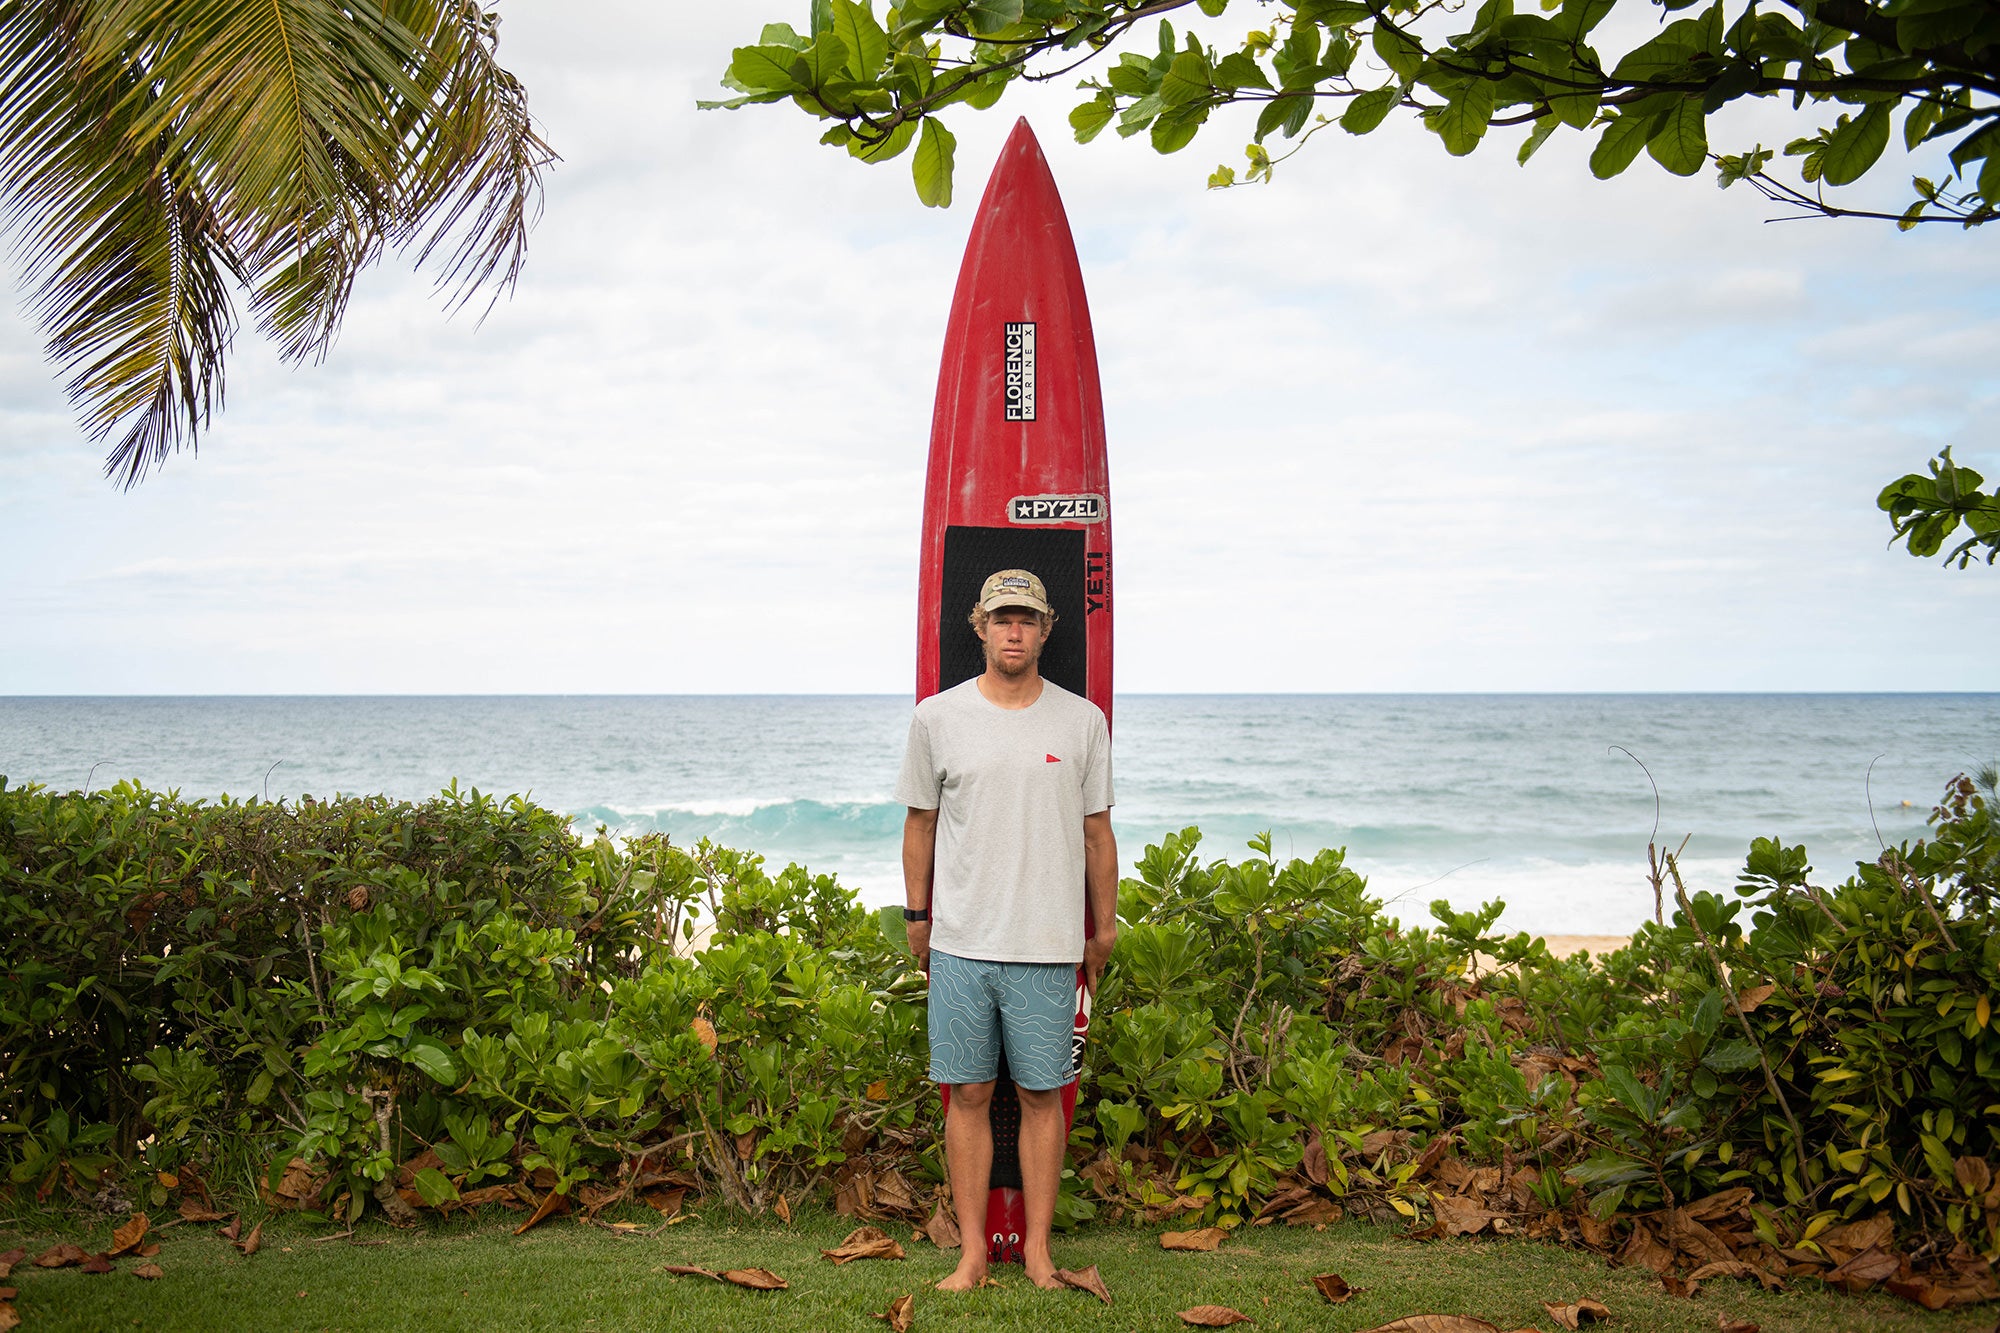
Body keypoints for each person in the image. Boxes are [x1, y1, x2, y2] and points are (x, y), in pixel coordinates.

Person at [895, 567, 1118, 1292]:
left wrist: (1104, 927)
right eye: (1002, 618)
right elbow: (920, 823)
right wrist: (918, 915)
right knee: (965, 1093)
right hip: (961, 942)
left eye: (1027, 618)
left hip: (1048, 946)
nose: (1014, 630)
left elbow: (1096, 834)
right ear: (980, 627)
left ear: (1047, 629)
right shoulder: (937, 717)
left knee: (1041, 1097)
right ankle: (971, 1255)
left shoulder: (1082, 720)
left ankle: (1039, 1254)